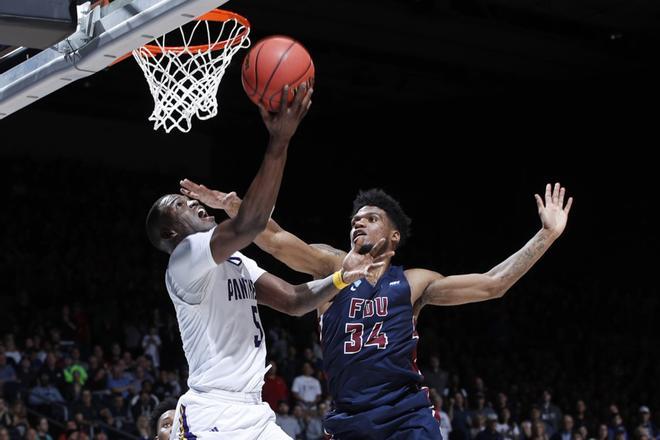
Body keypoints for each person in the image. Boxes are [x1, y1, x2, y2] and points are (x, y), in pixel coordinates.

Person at [181, 178, 573, 439]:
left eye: (370, 219)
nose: (358, 224)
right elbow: (279, 239)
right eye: (355, 220)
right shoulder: (331, 265)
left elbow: (494, 284)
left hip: (407, 415)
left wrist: (547, 235)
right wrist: (236, 208)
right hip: (350, 418)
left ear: (393, 236)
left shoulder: (415, 282)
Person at [146, 85, 392, 439]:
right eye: (181, 207)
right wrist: (279, 141)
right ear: (170, 235)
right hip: (215, 410)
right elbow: (252, 223)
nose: (196, 206)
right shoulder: (184, 259)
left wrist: (342, 276)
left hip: (253, 410)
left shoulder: (236, 262)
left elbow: (293, 301)